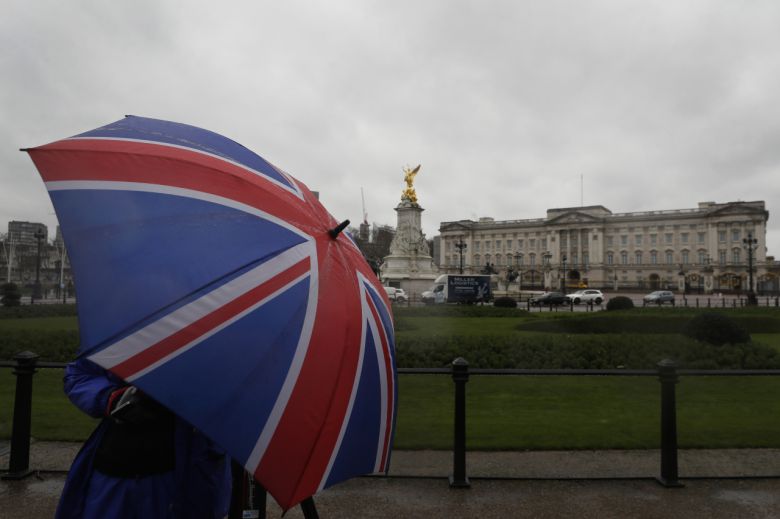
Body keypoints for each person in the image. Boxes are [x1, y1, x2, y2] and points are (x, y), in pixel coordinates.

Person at [55, 358, 232, 519]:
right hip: (115, 469)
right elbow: (80, 373)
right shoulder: (128, 332)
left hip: (189, 470)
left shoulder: (221, 338)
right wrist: (111, 398)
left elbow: (235, 388)